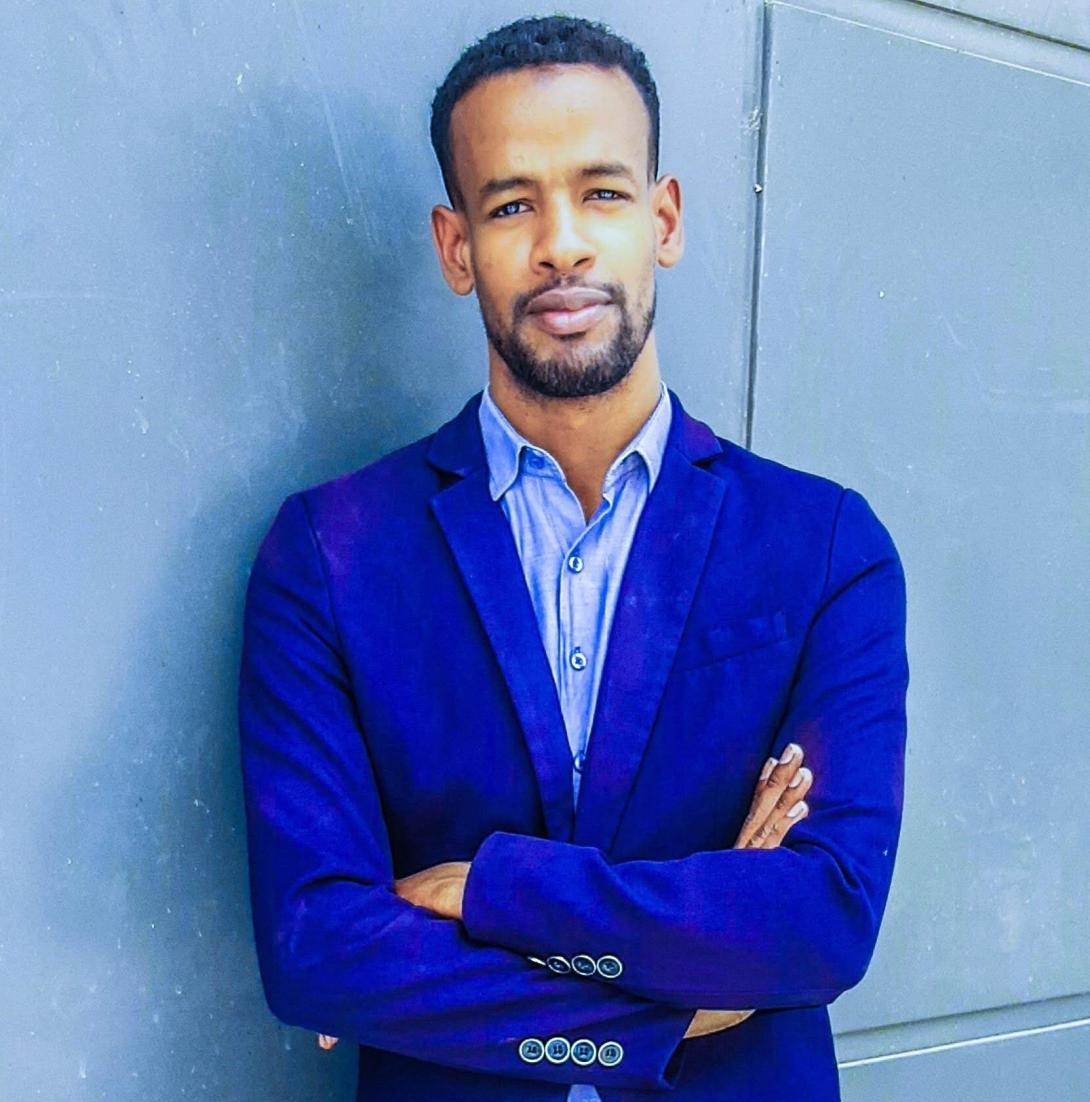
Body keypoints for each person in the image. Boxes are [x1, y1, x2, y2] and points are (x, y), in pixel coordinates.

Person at [237, 14, 909, 1102]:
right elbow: (319, 948)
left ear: (663, 218)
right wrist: (667, 1009)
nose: (563, 244)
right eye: (512, 204)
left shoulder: (826, 547)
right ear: (457, 247)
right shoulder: (329, 553)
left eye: (601, 192)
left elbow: (821, 920)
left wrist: (498, 890)